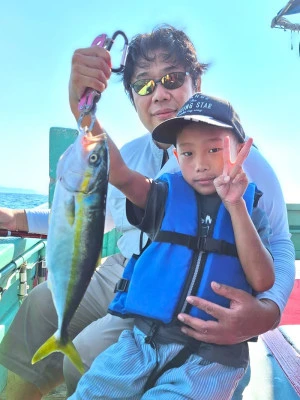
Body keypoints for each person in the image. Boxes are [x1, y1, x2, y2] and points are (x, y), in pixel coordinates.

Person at [0, 25, 295, 400]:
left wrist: (267, 312)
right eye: (144, 85)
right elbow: (85, 213)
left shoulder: (242, 165)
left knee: (84, 357)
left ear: (196, 81)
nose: (159, 93)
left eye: (172, 78)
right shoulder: (130, 154)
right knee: (40, 303)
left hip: (194, 292)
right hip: (122, 269)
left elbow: (280, 244)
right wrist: (15, 220)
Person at [68, 92, 275, 399]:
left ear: (241, 150)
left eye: (214, 149)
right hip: (142, 344)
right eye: (188, 154)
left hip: (211, 362)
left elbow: (263, 280)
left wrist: (236, 207)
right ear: (176, 158)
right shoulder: (164, 196)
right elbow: (121, 175)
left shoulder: (250, 209)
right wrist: (83, 112)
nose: (201, 165)